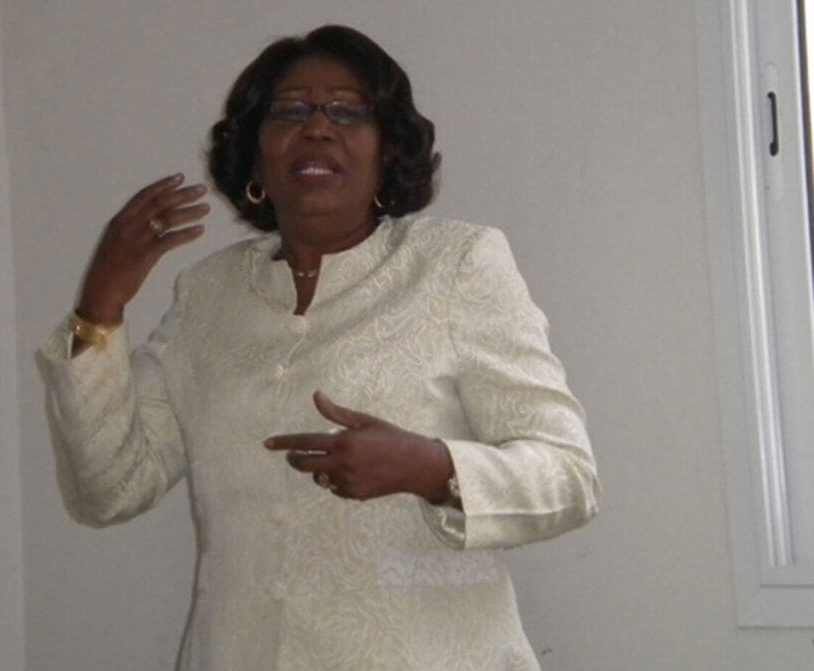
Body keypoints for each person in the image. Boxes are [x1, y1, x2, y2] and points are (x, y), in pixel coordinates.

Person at [37, 24, 600, 671]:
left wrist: (430, 468)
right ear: (255, 158)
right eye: (291, 112)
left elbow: (569, 478)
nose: (318, 128)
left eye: (349, 112)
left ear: (388, 150)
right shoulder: (207, 296)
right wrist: (100, 308)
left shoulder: (456, 265)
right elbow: (109, 489)